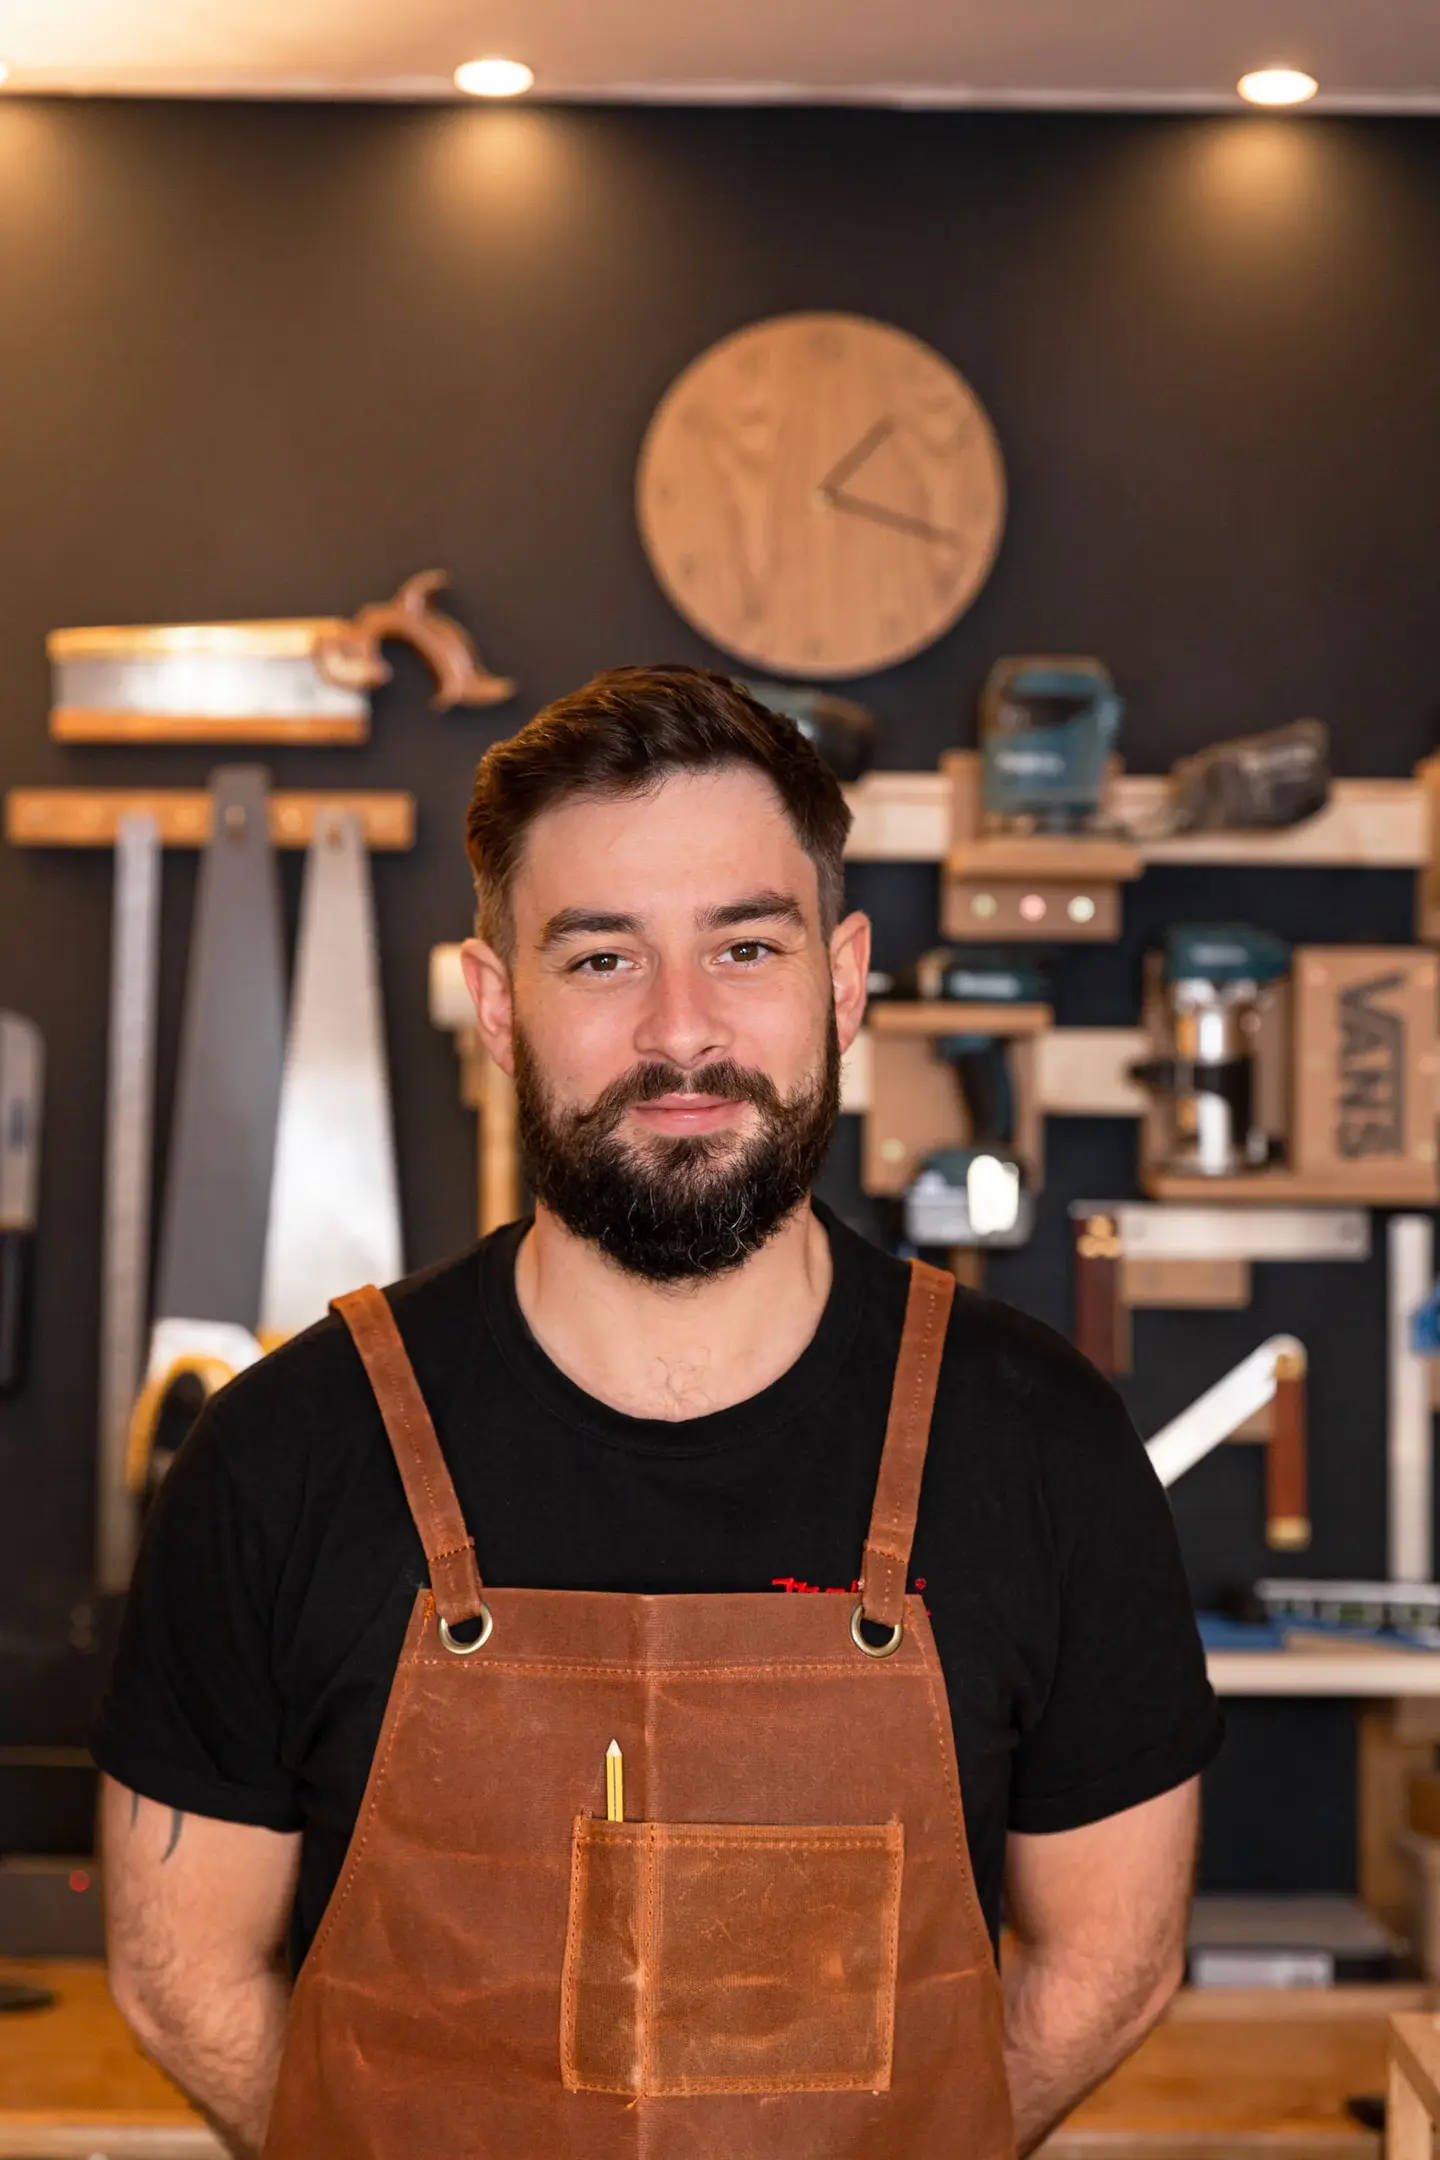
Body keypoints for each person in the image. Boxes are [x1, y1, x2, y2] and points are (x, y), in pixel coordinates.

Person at [95, 666, 1221, 2160]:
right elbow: (179, 1974)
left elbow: (1112, 1958)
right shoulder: (281, 1456)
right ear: (500, 1005)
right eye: (602, 958)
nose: (681, 1031)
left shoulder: (1043, 1444)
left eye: (745, 946)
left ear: (843, 979)